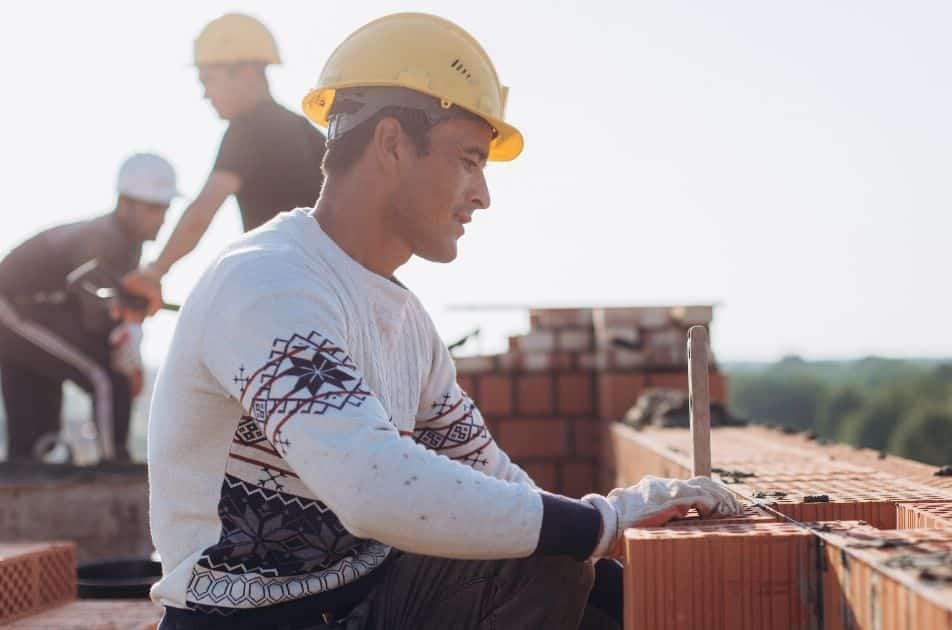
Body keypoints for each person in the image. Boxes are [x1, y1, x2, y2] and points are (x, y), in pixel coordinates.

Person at [148, 13, 738, 630]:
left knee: (572, 577)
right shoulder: (268, 282)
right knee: (559, 555)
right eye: (468, 159)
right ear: (393, 142)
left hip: (365, 598)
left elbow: (493, 483)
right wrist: (599, 522)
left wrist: (623, 554)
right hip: (247, 619)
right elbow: (376, 488)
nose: (482, 194)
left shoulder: (405, 323)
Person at [121, 13, 325, 316]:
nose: (205, 94)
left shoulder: (247, 129)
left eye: (208, 80)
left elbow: (200, 216)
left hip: (288, 293)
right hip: (331, 290)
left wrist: (154, 271)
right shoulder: (307, 132)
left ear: (245, 73)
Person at [0, 153, 176, 463]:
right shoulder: (104, 240)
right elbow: (97, 319)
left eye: (164, 208)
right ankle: (116, 466)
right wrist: (128, 357)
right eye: (153, 208)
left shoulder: (126, 244)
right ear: (125, 204)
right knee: (106, 375)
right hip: (14, 313)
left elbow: (102, 314)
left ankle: (28, 483)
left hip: (40, 316)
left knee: (34, 445)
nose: (162, 218)